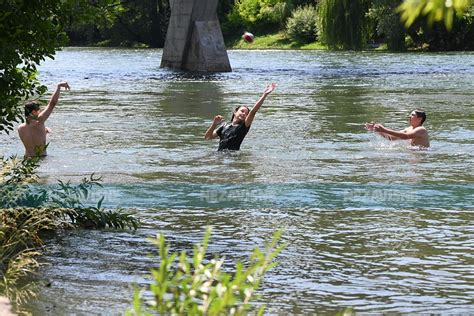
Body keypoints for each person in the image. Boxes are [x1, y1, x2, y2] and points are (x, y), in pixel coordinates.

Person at [205, 83, 276, 151]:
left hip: (233, 156)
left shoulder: (244, 126)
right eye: (242, 111)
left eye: (246, 113)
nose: (244, 114)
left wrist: (264, 95)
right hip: (220, 155)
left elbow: (253, 112)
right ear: (235, 112)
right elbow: (207, 137)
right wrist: (214, 125)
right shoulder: (224, 126)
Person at [18, 81, 70, 157]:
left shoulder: (20, 128)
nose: (41, 111)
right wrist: (58, 86)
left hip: (27, 159)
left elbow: (33, 135)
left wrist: (43, 131)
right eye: (39, 110)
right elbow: (52, 103)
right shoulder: (40, 121)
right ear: (33, 112)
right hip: (41, 158)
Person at [364, 109, 430, 148]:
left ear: (419, 119)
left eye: (412, 115)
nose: (409, 116)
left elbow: (405, 136)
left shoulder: (421, 130)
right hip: (413, 154)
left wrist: (383, 129)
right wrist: (377, 130)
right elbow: (392, 138)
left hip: (421, 155)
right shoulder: (409, 129)